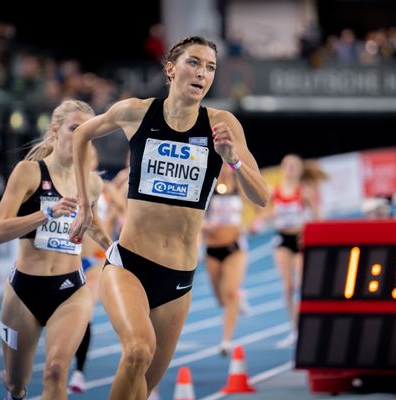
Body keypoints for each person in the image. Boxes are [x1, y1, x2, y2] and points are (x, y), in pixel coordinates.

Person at [69, 36, 269, 399]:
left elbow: (262, 197)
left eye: (210, 67)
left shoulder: (222, 124)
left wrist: (232, 159)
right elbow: (82, 134)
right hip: (129, 263)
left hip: (178, 278)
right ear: (171, 68)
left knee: (143, 387)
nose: (202, 73)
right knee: (138, 350)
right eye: (194, 63)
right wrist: (85, 204)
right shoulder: (136, 111)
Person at [0, 100, 112, 400]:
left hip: (70, 289)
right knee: (15, 383)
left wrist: (117, 253)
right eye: (74, 128)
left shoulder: (92, 184)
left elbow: (93, 225)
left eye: (87, 131)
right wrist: (47, 213)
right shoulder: (29, 172)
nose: (80, 136)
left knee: (56, 371)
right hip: (24, 291)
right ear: (56, 130)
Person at [68, 144, 124, 393]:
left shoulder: (105, 187)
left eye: (89, 156)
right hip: (67, 259)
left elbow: (126, 212)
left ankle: (79, 371)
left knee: (85, 314)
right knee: (65, 316)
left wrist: (113, 214)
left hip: (95, 260)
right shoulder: (65, 184)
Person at [254, 154, 319, 348]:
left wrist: (311, 228)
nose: (290, 168)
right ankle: (295, 329)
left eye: (293, 165)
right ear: (282, 168)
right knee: (289, 287)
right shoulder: (276, 191)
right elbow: (263, 211)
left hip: (300, 240)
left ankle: (307, 323)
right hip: (282, 240)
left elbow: (317, 216)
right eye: (287, 165)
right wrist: (262, 218)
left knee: (302, 285)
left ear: (299, 169)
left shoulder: (304, 191)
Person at [201, 162, 249, 356]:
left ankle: (226, 341)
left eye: (226, 166)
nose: (223, 170)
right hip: (212, 249)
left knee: (229, 293)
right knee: (221, 299)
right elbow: (195, 216)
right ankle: (237, 300)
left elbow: (261, 206)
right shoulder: (208, 188)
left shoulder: (240, 187)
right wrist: (205, 225)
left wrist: (253, 223)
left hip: (235, 248)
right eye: (219, 166)